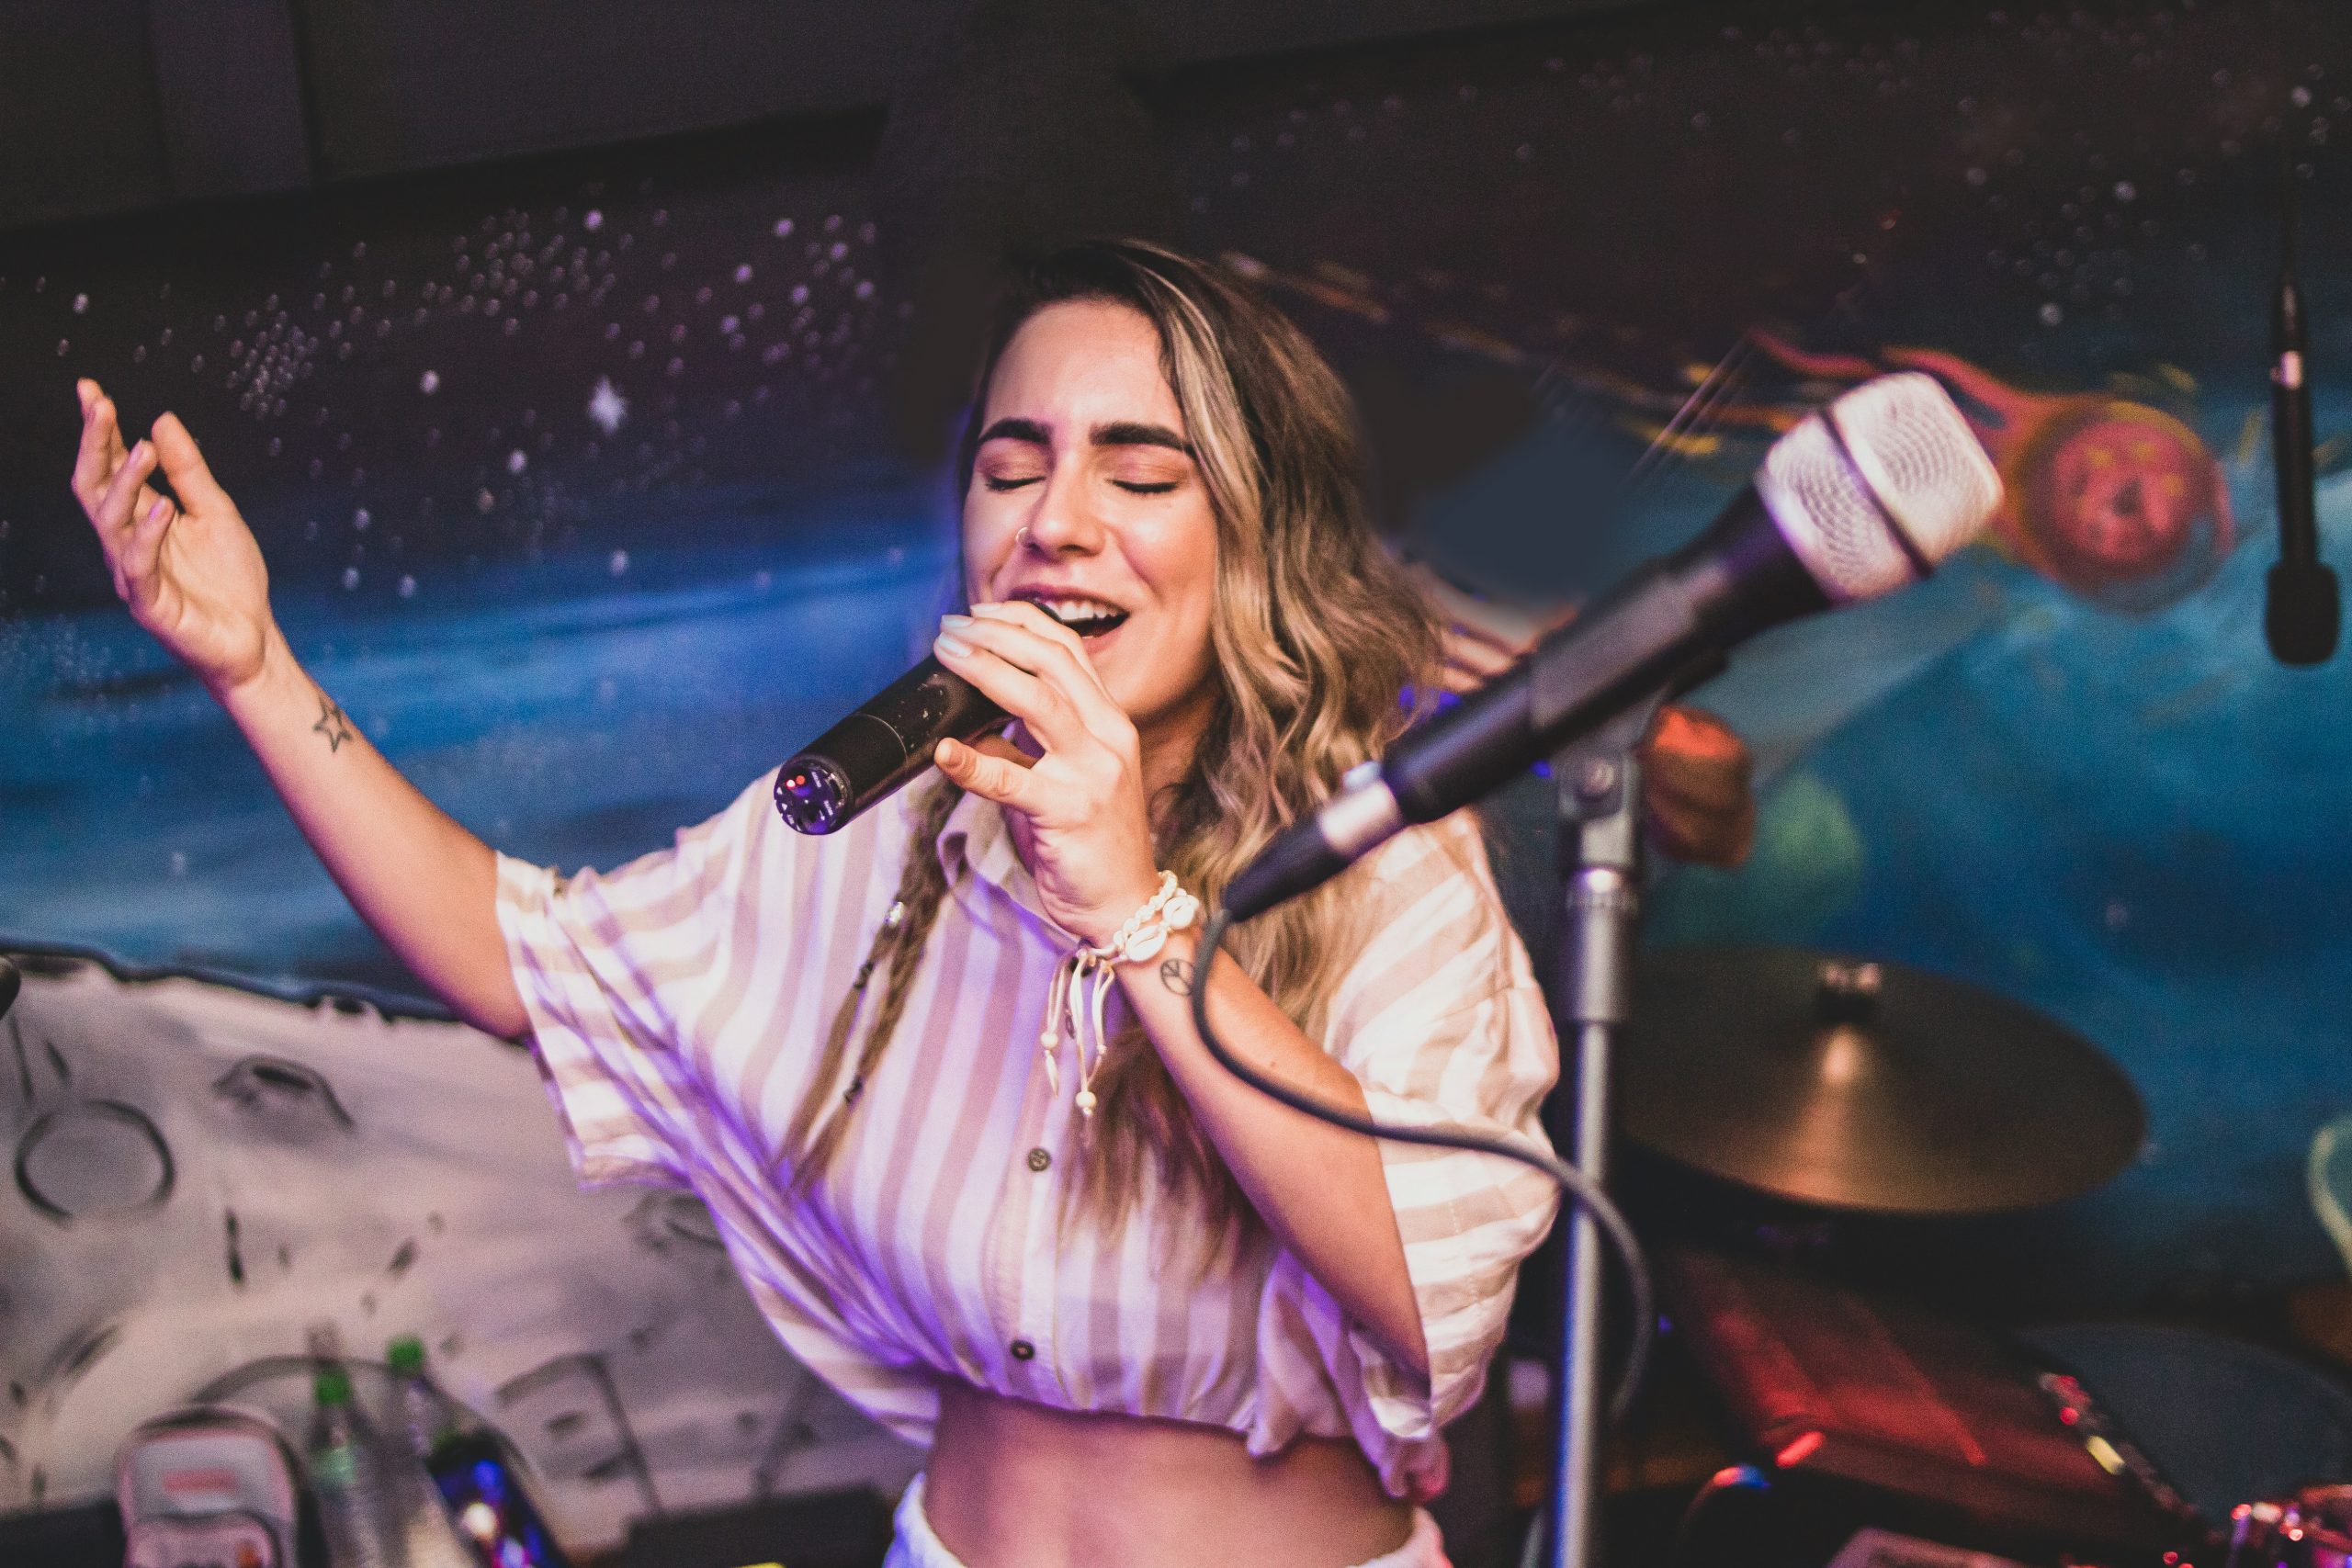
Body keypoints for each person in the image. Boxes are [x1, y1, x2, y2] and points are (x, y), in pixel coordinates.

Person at [72, 239, 1746, 1568]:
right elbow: (529, 961)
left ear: (1256, 537)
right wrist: (253, 663)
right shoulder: (874, 840)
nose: (1058, 523)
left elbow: (1434, 1295)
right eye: (1014, 468)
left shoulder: (1382, 858)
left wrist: (1138, 911)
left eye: (1140, 476)